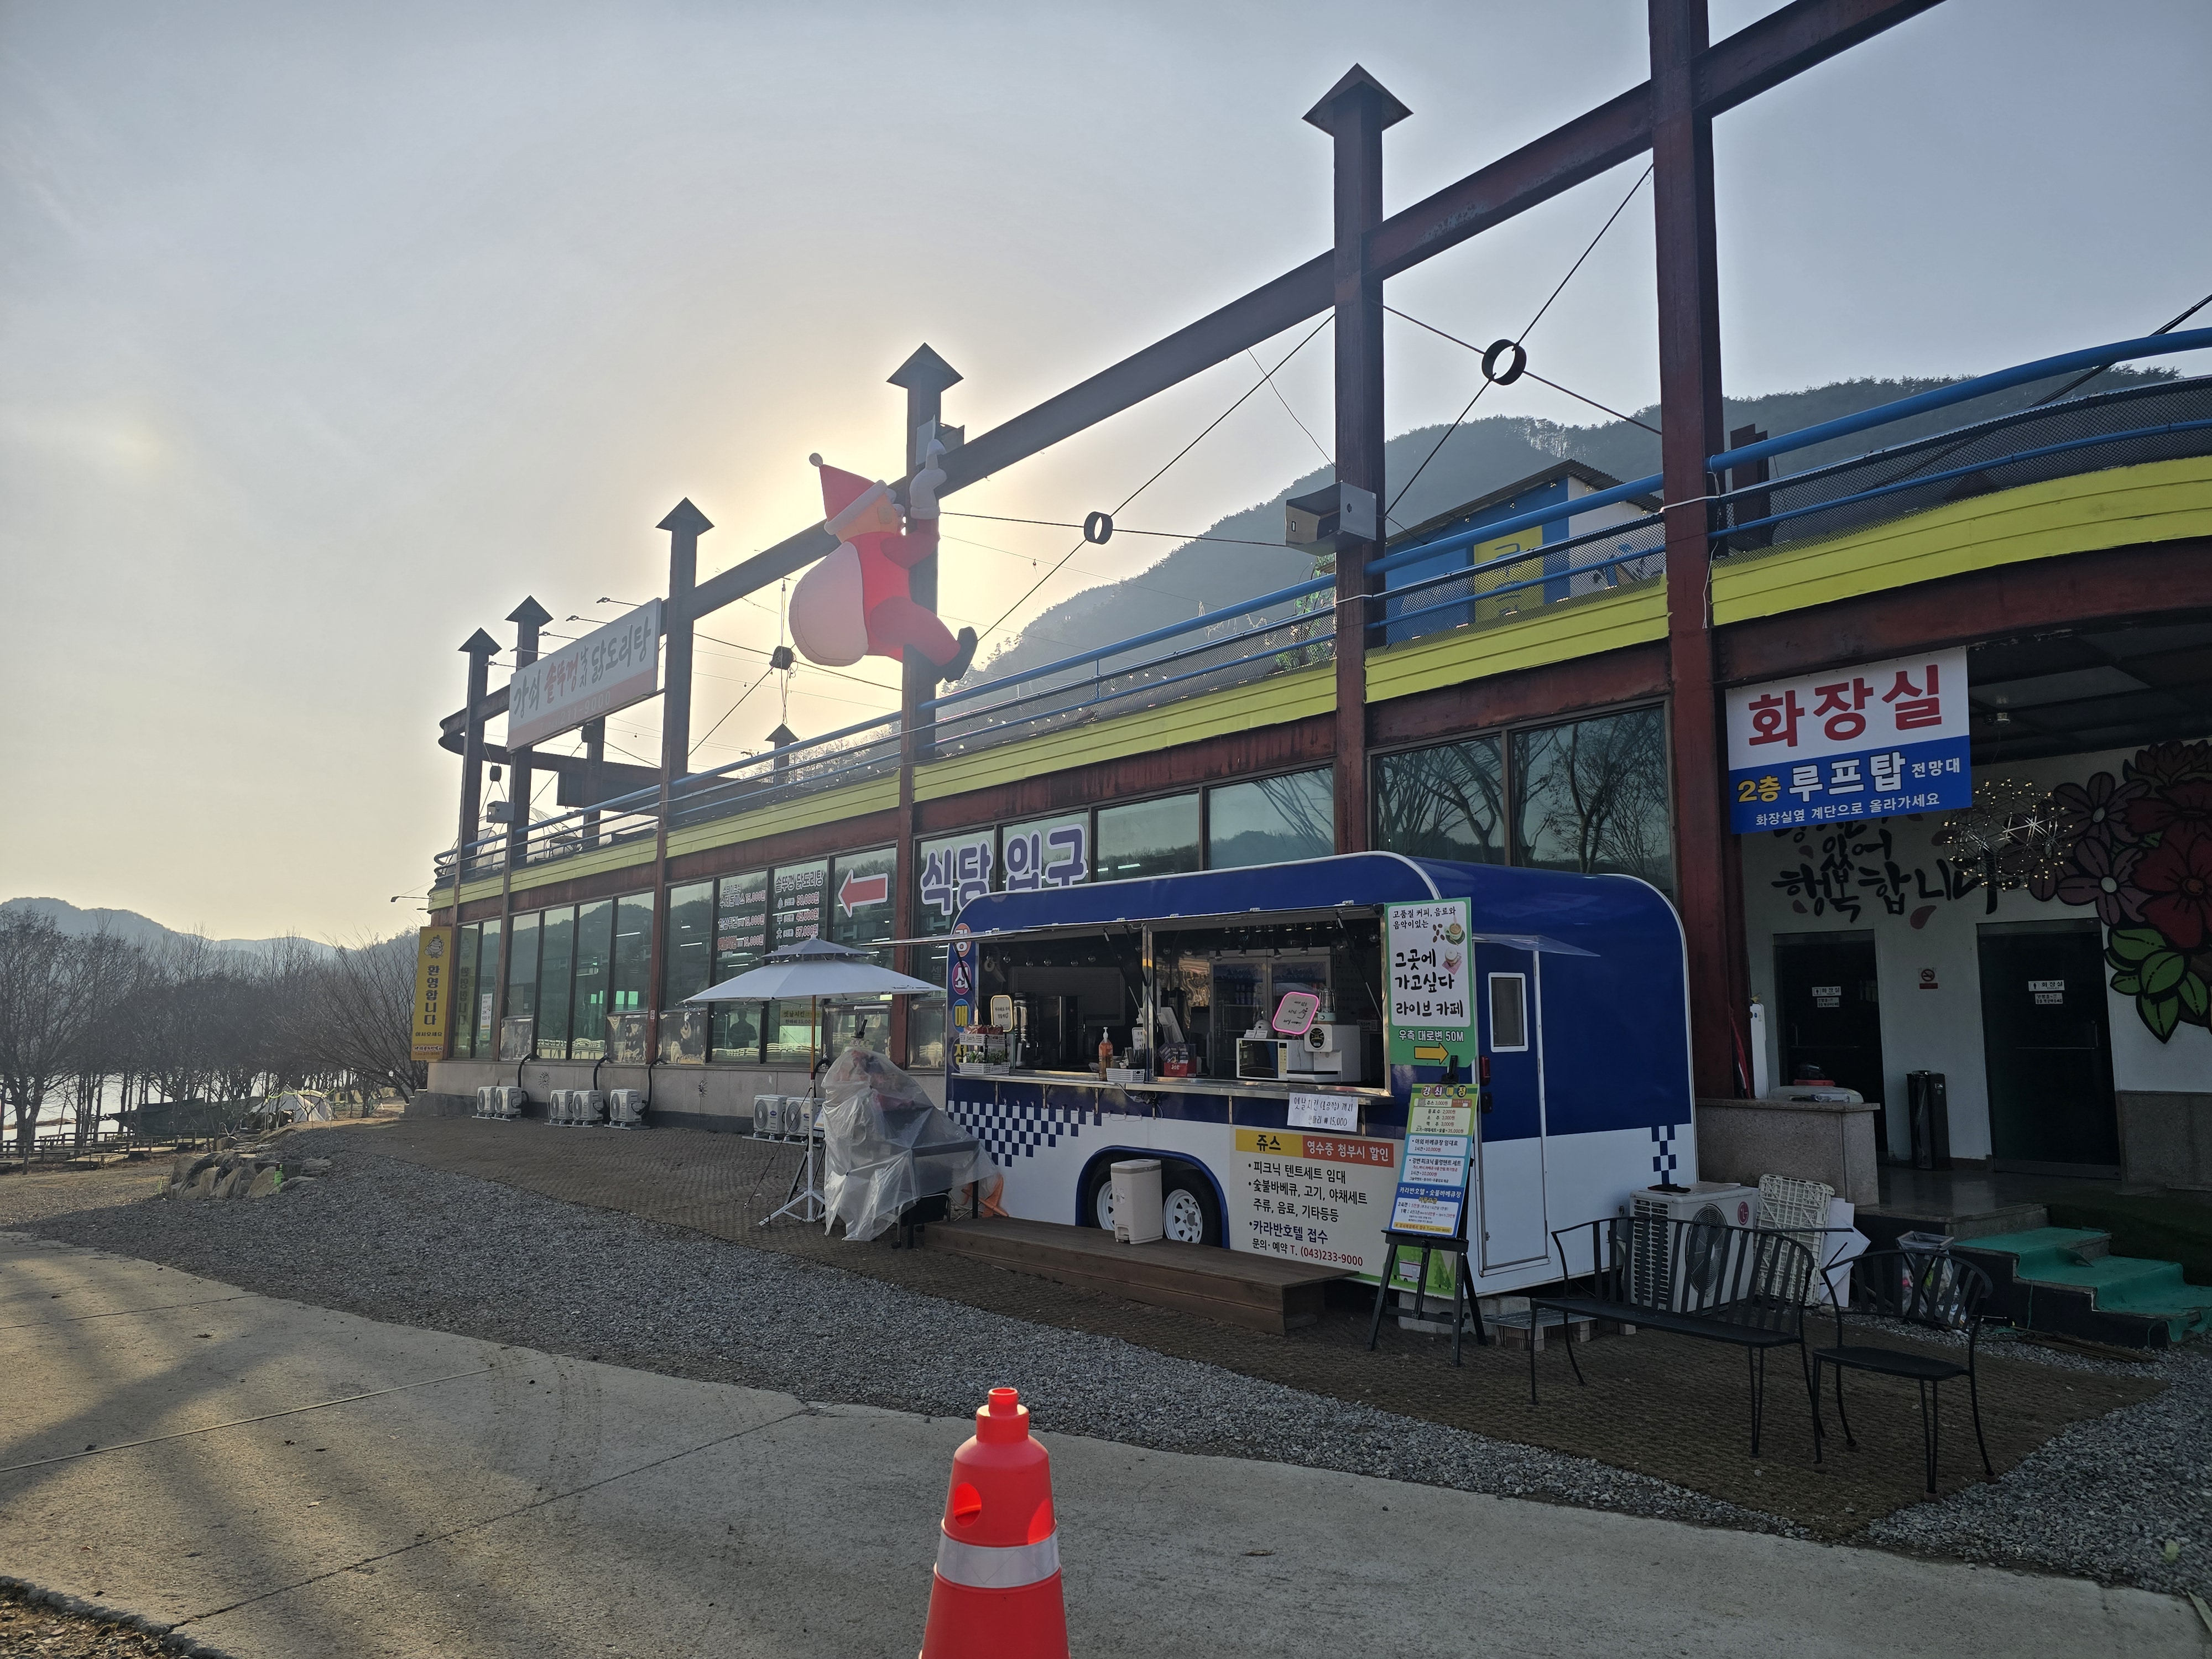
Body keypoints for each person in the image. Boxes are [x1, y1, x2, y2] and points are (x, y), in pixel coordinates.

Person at [787, 439, 979, 681]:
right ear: (877, 512)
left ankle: (928, 666)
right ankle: (952, 658)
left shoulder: (855, 549)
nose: (897, 510)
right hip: (888, 616)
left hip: (872, 632)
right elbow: (925, 542)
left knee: (911, 634)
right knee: (917, 622)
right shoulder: (881, 544)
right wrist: (922, 496)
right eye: (888, 506)